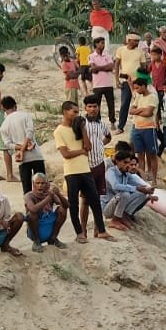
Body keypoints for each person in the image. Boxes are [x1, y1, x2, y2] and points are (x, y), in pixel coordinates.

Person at [52, 100, 112, 242]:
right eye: (74, 112)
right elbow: (66, 154)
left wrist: (83, 129)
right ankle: (79, 233)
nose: (77, 114)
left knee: (95, 201)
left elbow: (89, 147)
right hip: (71, 172)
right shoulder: (59, 131)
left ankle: (102, 231)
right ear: (65, 112)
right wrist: (81, 151)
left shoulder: (77, 128)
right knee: (74, 203)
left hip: (85, 169)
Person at [81, 93, 113, 238]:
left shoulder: (102, 124)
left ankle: (97, 229)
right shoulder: (81, 124)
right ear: (85, 108)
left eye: (95, 106)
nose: (93, 109)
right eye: (90, 107)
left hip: (100, 165)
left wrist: (100, 145)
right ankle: (82, 230)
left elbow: (108, 136)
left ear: (99, 108)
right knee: (85, 201)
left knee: (98, 199)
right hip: (86, 166)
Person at [104, 148, 159, 230]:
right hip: (108, 208)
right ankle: (115, 220)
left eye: (128, 163)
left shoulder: (126, 173)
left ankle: (125, 215)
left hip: (118, 204)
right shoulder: (110, 172)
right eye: (125, 162)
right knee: (125, 194)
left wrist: (148, 190)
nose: (127, 165)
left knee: (142, 194)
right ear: (117, 162)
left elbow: (139, 184)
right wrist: (135, 188)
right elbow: (115, 186)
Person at [0, 95, 43, 194]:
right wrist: (26, 147)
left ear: (3, 108)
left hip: (22, 159)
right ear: (15, 106)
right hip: (36, 155)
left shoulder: (4, 125)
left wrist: (22, 150)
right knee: (42, 187)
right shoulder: (25, 115)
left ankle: (29, 209)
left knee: (27, 190)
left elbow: (8, 144)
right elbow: (30, 132)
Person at [126, 77, 161, 182]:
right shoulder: (138, 96)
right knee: (140, 155)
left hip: (149, 129)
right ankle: (142, 180)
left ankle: (154, 179)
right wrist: (141, 109)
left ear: (143, 86)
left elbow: (148, 113)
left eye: (137, 88)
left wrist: (138, 110)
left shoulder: (153, 97)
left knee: (152, 155)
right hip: (137, 128)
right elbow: (131, 111)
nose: (136, 90)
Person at [22, 173, 67, 251]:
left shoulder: (49, 193)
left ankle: (53, 238)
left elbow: (66, 206)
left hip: (49, 226)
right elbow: (33, 209)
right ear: (33, 184)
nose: (40, 185)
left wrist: (58, 194)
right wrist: (48, 198)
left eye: (42, 183)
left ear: (47, 184)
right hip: (36, 229)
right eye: (38, 183)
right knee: (32, 214)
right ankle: (36, 242)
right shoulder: (29, 196)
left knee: (62, 209)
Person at [115, 32, 144, 126]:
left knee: (140, 103)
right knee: (124, 104)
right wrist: (116, 79)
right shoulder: (121, 50)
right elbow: (117, 64)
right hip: (126, 81)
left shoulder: (140, 51)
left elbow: (143, 67)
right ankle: (120, 126)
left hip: (138, 82)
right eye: (135, 41)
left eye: (138, 41)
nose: (137, 43)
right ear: (129, 40)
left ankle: (139, 124)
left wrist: (143, 81)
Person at [88, 38, 116, 125]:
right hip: (97, 85)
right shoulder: (91, 56)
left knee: (111, 105)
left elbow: (111, 67)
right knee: (97, 105)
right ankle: (98, 122)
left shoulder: (107, 55)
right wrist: (105, 68)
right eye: (101, 43)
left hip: (108, 84)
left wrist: (98, 68)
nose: (103, 45)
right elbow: (93, 69)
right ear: (96, 44)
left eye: (103, 43)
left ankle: (112, 122)